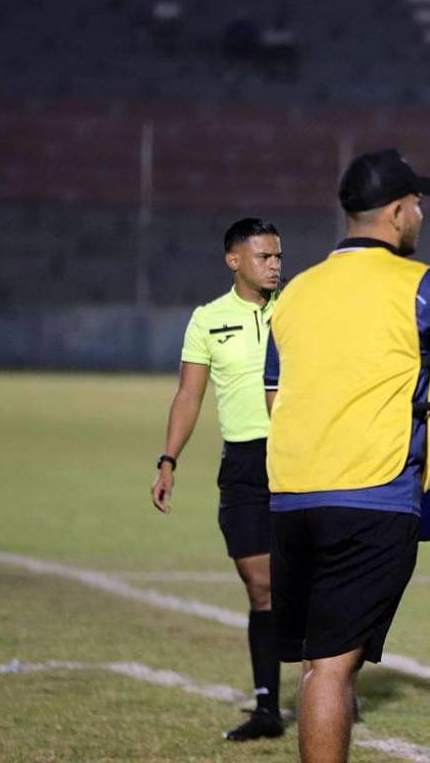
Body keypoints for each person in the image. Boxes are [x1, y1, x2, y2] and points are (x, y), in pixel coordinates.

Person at [263, 149, 430, 763]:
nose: (420, 215)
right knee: (333, 670)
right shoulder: (421, 288)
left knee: (319, 665)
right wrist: (429, 454)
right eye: (417, 204)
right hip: (373, 497)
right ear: (394, 212)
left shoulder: (297, 292)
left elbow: (276, 399)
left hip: (290, 496)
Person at [150, 217, 286, 742]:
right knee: (262, 586)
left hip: (300, 459)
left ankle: (333, 681)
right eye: (264, 256)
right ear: (234, 260)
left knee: (314, 582)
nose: (275, 264)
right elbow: (189, 395)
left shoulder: (297, 311)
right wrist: (168, 460)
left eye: (278, 256)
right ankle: (268, 709)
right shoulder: (208, 319)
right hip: (246, 466)